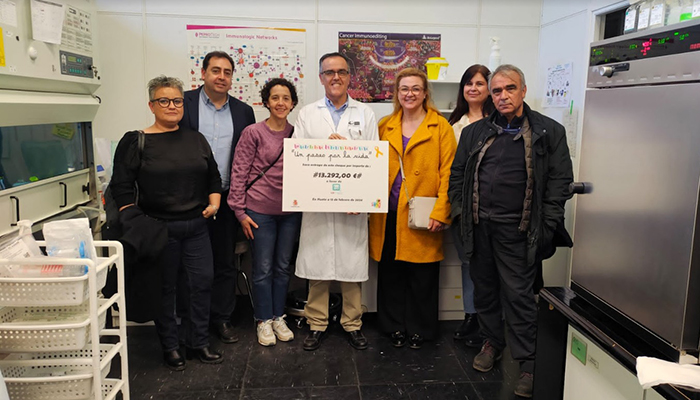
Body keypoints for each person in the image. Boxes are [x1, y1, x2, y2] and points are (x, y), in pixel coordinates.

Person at [448, 64, 573, 398]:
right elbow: (457, 175)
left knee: (519, 297)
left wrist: (547, 225)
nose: (503, 96)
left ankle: (529, 363)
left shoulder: (548, 131)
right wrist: (460, 214)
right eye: (497, 91)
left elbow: (560, 183)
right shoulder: (474, 132)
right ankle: (492, 342)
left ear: (523, 90)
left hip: (519, 231)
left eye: (510, 88)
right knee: (485, 292)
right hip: (478, 228)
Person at [111, 76, 223, 370]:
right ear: (152, 105)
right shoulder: (136, 141)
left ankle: (199, 342)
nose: (172, 106)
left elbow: (213, 177)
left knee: (201, 284)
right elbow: (121, 187)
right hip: (158, 229)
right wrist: (135, 221)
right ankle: (171, 347)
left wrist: (214, 204)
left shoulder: (196, 139)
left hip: (196, 227)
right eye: (164, 100)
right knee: (165, 289)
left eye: (177, 101)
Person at [293, 52, 378, 351]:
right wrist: (323, 149)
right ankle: (316, 323)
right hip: (318, 203)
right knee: (318, 267)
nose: (336, 77)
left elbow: (373, 159)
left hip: (352, 205)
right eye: (329, 72)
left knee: (351, 268)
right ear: (321, 78)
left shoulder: (365, 114)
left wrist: (363, 199)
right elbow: (299, 157)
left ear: (349, 76)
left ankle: (352, 323)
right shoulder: (307, 114)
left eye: (341, 71)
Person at [368, 68, 456, 349]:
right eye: (404, 88)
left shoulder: (440, 127)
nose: (410, 94)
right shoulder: (385, 125)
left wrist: (441, 211)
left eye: (416, 88)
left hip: (423, 213)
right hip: (388, 214)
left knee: (423, 277)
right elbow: (368, 164)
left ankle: (421, 329)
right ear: (397, 93)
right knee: (390, 274)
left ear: (425, 93)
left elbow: (450, 173)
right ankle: (392, 326)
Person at [181, 51, 256, 344]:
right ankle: (190, 320)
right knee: (189, 263)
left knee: (225, 261)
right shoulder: (183, 103)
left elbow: (247, 157)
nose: (221, 76)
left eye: (227, 72)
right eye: (215, 70)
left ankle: (222, 318)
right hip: (190, 199)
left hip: (226, 198)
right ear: (203, 73)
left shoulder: (243, 112)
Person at [228, 78, 301, 346]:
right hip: (259, 211)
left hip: (291, 212)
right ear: (266, 102)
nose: (281, 103)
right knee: (263, 268)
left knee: (283, 267)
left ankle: (278, 316)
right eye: (275, 98)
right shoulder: (253, 133)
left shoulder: (298, 134)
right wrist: (239, 211)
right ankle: (263, 320)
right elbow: (239, 172)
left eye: (286, 98)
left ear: (292, 103)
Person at [446, 64, 495, 346]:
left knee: (493, 265)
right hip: (463, 207)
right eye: (469, 83)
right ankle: (471, 315)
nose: (473, 88)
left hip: (494, 206)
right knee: (468, 262)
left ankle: (491, 321)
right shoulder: (454, 124)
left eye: (479, 83)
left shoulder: (500, 120)